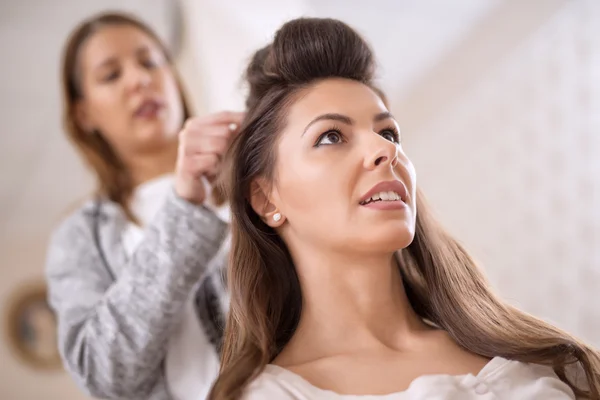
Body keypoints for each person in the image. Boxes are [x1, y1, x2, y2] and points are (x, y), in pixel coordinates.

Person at [208, 18, 600, 400]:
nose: (385, 150)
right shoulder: (271, 394)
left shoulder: (532, 356)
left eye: (388, 132)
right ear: (265, 198)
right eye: (331, 136)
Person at [45, 12, 241, 400]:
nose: (140, 79)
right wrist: (184, 209)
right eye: (111, 75)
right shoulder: (79, 237)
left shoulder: (253, 177)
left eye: (150, 61)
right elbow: (106, 375)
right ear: (84, 114)